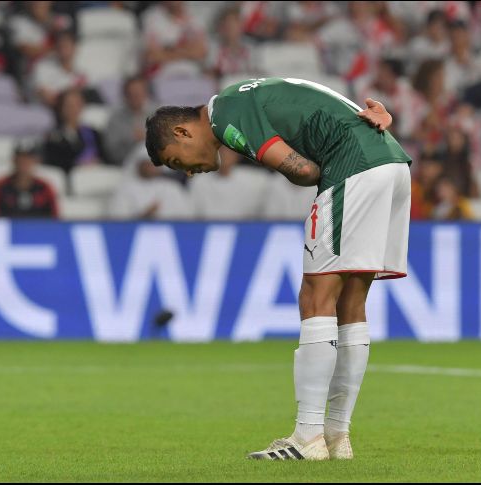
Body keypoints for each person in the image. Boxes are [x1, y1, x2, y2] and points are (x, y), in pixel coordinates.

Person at [144, 77, 411, 460]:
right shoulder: (244, 93)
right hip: (391, 162)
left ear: (183, 130)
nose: (186, 171)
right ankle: (337, 436)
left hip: (355, 167)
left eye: (176, 160)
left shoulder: (226, 116)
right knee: (351, 301)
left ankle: (307, 437)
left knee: (315, 295)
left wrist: (328, 152)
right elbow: (313, 98)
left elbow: (303, 171)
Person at [43, 88, 109, 186]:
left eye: (77, 105)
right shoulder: (53, 137)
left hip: (97, 180)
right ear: (61, 108)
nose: (73, 109)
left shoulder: (93, 133)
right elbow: (55, 163)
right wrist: (79, 164)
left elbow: (106, 158)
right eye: (69, 105)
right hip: (72, 183)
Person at [0, 143, 59, 218]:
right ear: (14, 160)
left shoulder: (45, 187)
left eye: (28, 159)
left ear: (35, 161)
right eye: (21, 159)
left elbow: (55, 219)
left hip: (39, 229)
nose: (24, 163)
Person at [104, 76, 157, 166]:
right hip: (126, 166)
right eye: (131, 94)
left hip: (155, 165)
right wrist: (132, 139)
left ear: (146, 93)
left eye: (139, 93)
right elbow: (111, 153)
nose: (135, 97)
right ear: (125, 95)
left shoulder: (158, 115)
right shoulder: (115, 119)